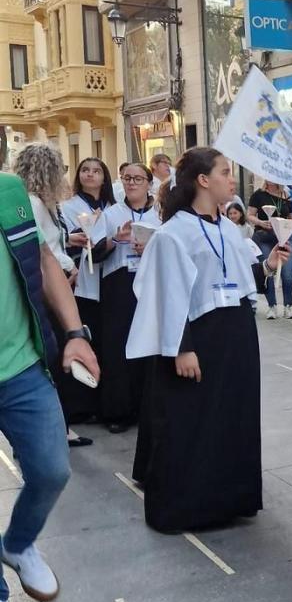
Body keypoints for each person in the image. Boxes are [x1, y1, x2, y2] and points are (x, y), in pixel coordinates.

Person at [127, 148, 289, 534]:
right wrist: (182, 345)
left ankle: (230, 498)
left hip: (236, 331)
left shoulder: (228, 228)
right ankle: (187, 506)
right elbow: (165, 290)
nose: (231, 180)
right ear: (203, 180)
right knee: (191, 420)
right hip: (198, 334)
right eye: (225, 172)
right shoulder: (174, 232)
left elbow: (239, 273)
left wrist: (268, 265)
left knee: (234, 414)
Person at [0, 167, 100, 602]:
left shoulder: (10, 192)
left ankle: (18, 543)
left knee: (52, 468)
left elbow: (42, 261)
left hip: (21, 366)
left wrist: (76, 333)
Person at [14, 144, 92, 449]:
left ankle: (60, 426)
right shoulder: (33, 204)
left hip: (59, 282)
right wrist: (65, 268)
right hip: (49, 291)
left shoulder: (43, 204)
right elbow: (40, 251)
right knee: (55, 357)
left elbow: (50, 242)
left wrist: (69, 240)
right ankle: (56, 429)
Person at [97, 162, 161, 433]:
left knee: (149, 344)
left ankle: (148, 407)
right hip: (120, 283)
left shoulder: (161, 213)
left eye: (137, 178)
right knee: (118, 346)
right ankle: (119, 410)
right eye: (126, 178)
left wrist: (151, 246)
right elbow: (94, 251)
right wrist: (115, 239)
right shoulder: (112, 213)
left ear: (149, 183)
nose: (131, 183)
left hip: (151, 283)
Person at [59, 157, 114, 425]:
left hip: (112, 280)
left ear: (104, 177)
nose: (90, 175)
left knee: (108, 343)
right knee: (85, 338)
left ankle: (108, 400)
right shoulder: (68, 207)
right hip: (84, 279)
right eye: (85, 170)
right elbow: (61, 243)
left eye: (96, 171)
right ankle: (82, 404)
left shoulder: (113, 207)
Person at [247, 179, 292, 320]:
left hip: (283, 238)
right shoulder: (258, 195)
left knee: (288, 274)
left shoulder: (286, 195)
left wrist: (288, 228)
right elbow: (249, 215)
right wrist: (261, 222)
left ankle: (288, 306)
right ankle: (272, 306)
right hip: (264, 237)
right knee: (268, 271)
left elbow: (291, 217)